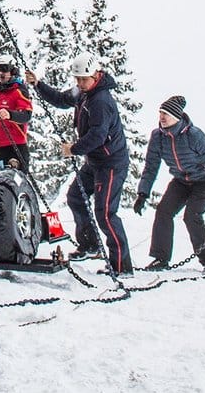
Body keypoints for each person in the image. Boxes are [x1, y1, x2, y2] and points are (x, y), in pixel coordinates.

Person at [25, 52, 132, 275]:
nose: (79, 84)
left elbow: (98, 136)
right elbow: (62, 99)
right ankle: (90, 245)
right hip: (94, 162)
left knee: (105, 213)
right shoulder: (83, 93)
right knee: (75, 196)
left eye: (83, 79)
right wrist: (38, 85)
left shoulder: (101, 101)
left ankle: (122, 266)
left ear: (95, 75)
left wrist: (73, 149)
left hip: (111, 163)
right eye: (77, 79)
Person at [134, 96, 205, 275]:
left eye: (167, 114)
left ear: (177, 117)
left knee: (191, 216)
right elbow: (151, 166)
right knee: (163, 211)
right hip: (181, 181)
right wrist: (143, 193)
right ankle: (161, 258)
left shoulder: (194, 135)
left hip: (204, 181)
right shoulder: (158, 136)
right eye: (161, 113)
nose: (162, 117)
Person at [0, 54, 33, 172]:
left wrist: (10, 115)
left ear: (13, 71)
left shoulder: (19, 91)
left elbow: (26, 115)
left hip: (15, 146)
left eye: (5, 69)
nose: (1, 73)